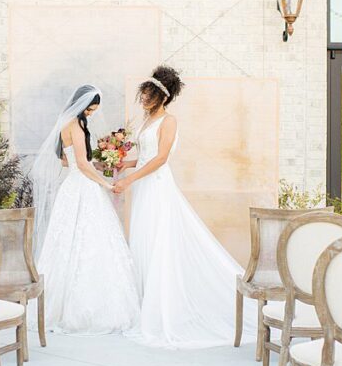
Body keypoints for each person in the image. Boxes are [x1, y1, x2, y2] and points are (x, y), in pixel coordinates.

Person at [114, 65, 256, 348]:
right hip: (143, 185)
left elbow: (160, 159)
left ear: (162, 97)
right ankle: (144, 306)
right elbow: (144, 156)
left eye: (149, 95)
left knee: (157, 242)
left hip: (156, 187)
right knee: (142, 241)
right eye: (143, 93)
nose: (143, 98)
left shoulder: (169, 121)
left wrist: (129, 180)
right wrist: (120, 162)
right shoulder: (146, 121)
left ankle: (161, 311)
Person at [31, 85, 139, 335]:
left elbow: (66, 160)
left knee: (75, 241)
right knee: (88, 240)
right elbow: (80, 162)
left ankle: (58, 305)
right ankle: (82, 310)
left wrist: (102, 164)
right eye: (90, 110)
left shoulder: (68, 125)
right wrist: (106, 183)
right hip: (83, 187)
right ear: (81, 105)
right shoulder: (75, 126)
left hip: (74, 185)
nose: (91, 114)